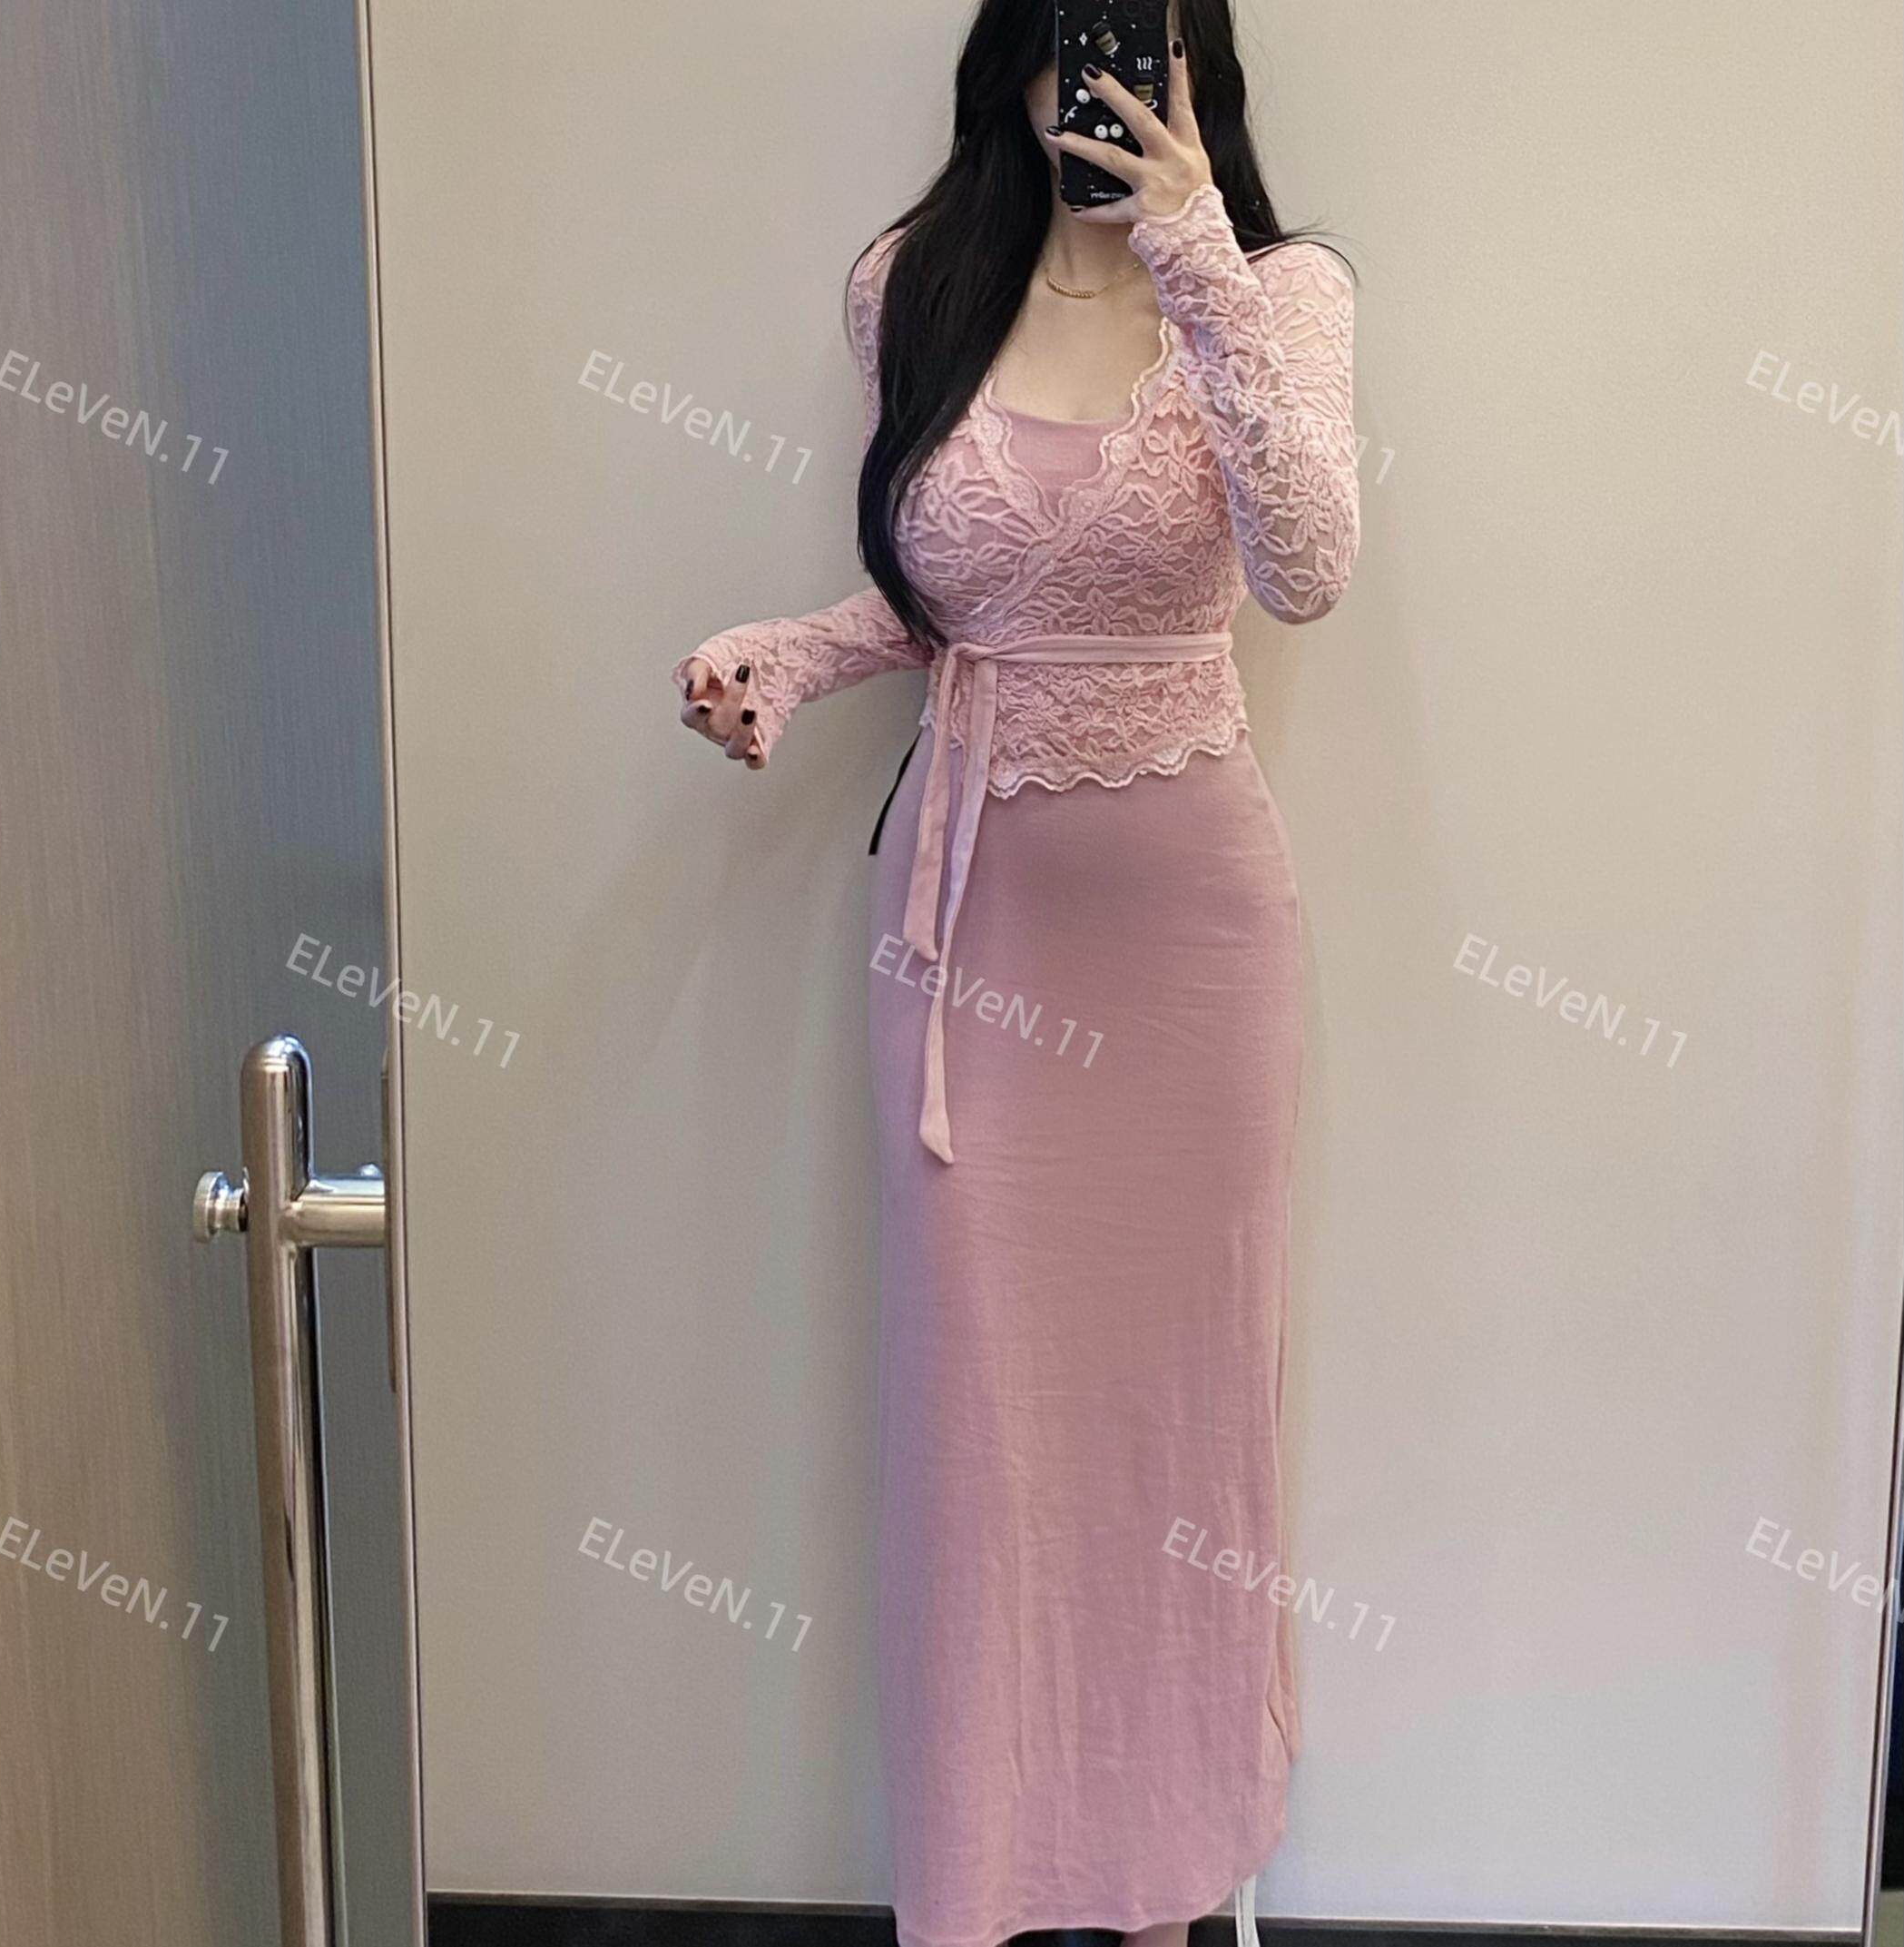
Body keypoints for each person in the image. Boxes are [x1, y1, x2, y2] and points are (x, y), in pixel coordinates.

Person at [673, 5, 1358, 1941]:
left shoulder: (1280, 293)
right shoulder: (912, 285)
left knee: (1180, 1417)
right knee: (980, 1427)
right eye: (1071, 36)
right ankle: (982, 1886)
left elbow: (1306, 565)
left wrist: (1195, 251)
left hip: (1192, 944)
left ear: (1198, 64)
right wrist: (790, 655)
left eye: (1141, 39)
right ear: (1012, 59)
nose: (1100, 79)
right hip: (971, 937)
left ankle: (1166, 1885)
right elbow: (946, 589)